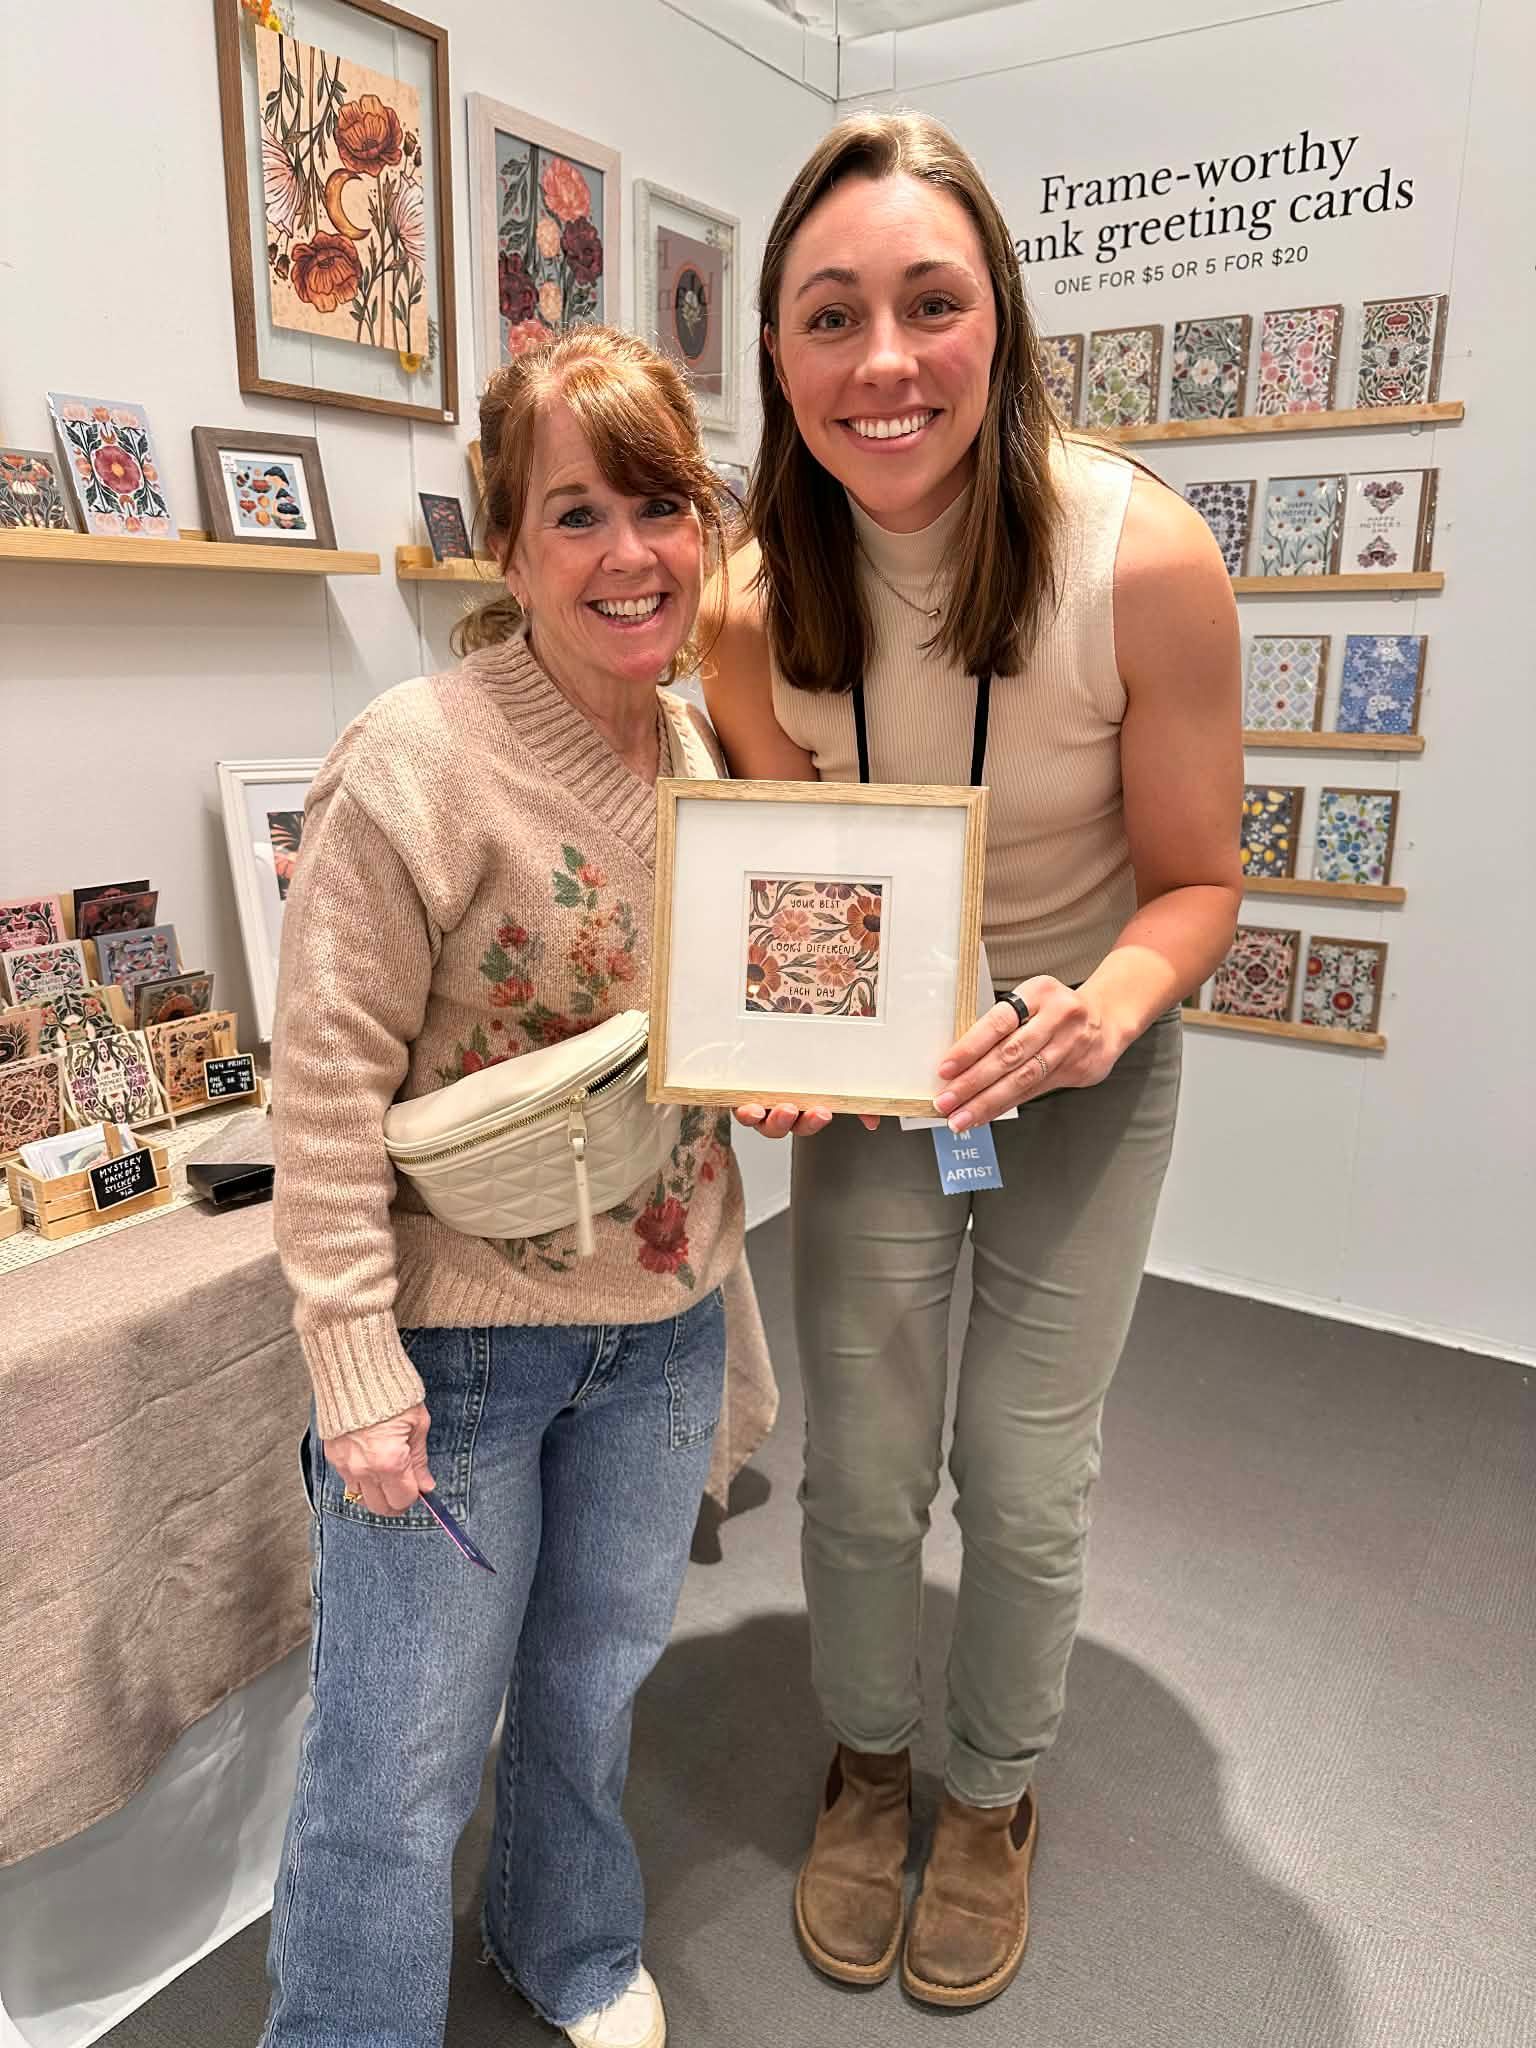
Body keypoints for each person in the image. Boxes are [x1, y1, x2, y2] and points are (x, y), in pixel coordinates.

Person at [704, 113, 1242, 2011]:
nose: (886, 364)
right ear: (776, 355)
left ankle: (993, 1795)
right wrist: (777, 1041)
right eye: (831, 316)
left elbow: (1200, 880)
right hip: (889, 1084)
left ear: (999, 324)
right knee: (858, 1474)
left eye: (932, 305)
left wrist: (1101, 1002)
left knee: (1020, 1477)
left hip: (1090, 1062)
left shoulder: (1143, 558)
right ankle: (868, 1766)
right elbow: (792, 884)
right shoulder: (750, 602)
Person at [263, 326, 775, 2048]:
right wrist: (354, 1368)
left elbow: (712, 1033)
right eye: (576, 514)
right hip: (463, 1344)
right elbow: (322, 1090)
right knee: (396, 1753)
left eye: (660, 504)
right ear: (505, 545)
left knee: (593, 1680)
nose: (630, 554)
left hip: (666, 1315)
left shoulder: (710, 755)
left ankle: (562, 1941)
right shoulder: (409, 761)